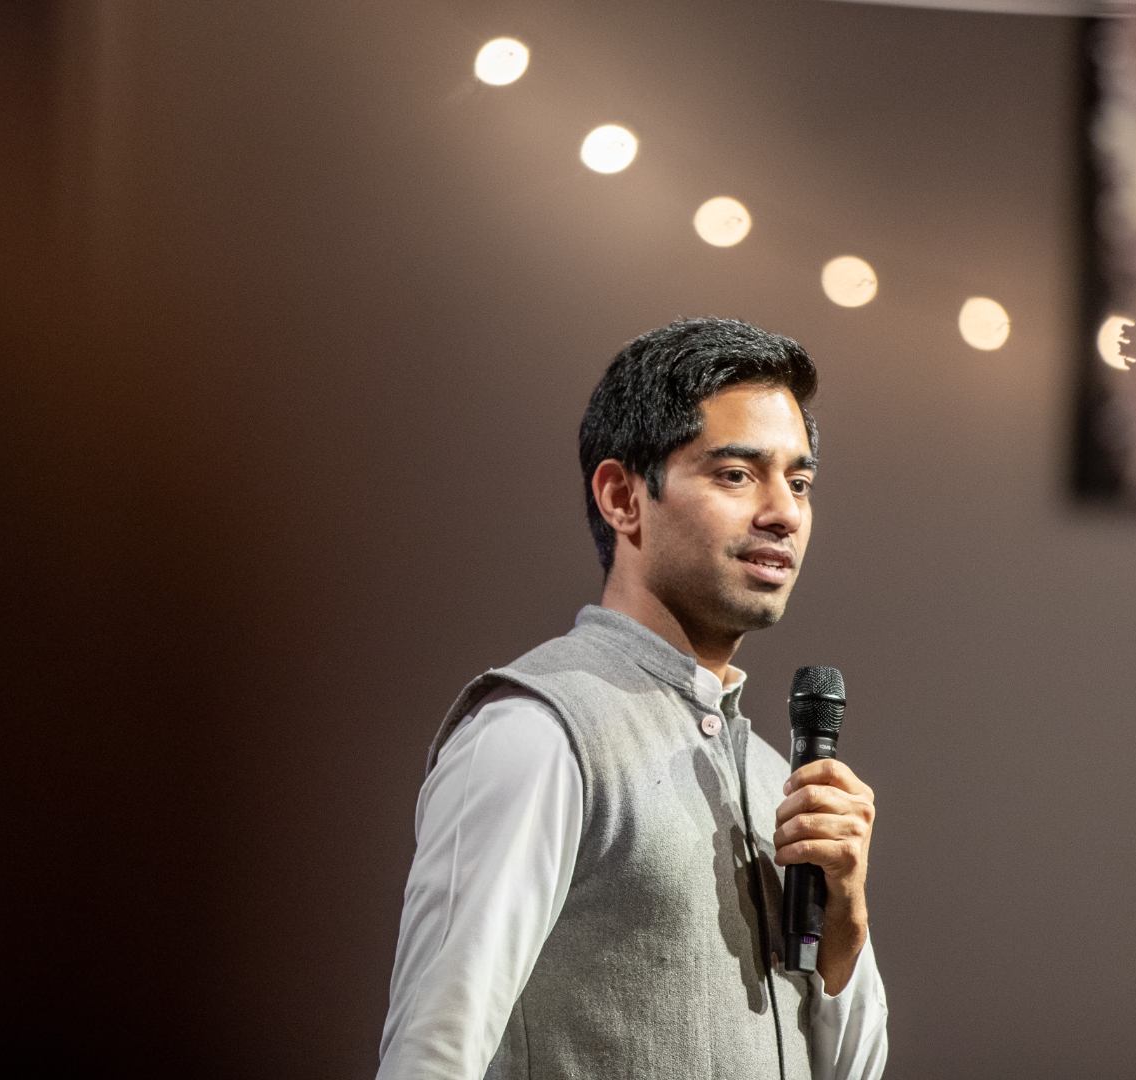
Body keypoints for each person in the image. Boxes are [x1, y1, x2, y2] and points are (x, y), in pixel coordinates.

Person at [378, 318, 889, 1079]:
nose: (784, 511)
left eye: (800, 481)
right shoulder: (539, 732)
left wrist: (844, 928)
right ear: (622, 497)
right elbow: (431, 1056)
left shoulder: (770, 775)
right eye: (736, 475)